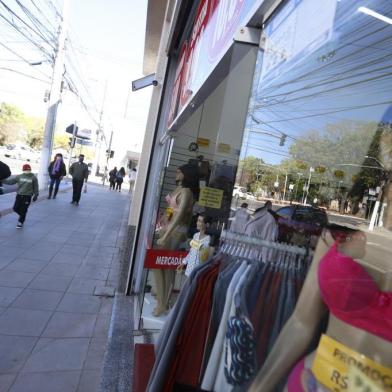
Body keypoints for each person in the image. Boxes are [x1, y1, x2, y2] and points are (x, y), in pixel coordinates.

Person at [154, 164, 199, 316]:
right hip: (168, 229)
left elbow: (179, 216)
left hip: (176, 232)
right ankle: (162, 297)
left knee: (165, 265)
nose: (176, 173)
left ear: (186, 174)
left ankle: (163, 302)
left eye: (179, 171)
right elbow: (171, 210)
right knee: (161, 265)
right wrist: (163, 223)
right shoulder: (179, 190)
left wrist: (166, 235)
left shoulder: (186, 192)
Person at [3, 163, 38, 228]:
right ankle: (22, 216)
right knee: (15, 208)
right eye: (26, 170)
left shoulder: (33, 177)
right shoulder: (19, 176)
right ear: (23, 170)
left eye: (28, 170)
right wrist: (2, 180)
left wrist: (36, 194)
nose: (27, 171)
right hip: (19, 195)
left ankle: (20, 222)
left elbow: (36, 187)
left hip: (27, 196)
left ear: (30, 170)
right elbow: (11, 182)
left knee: (24, 209)